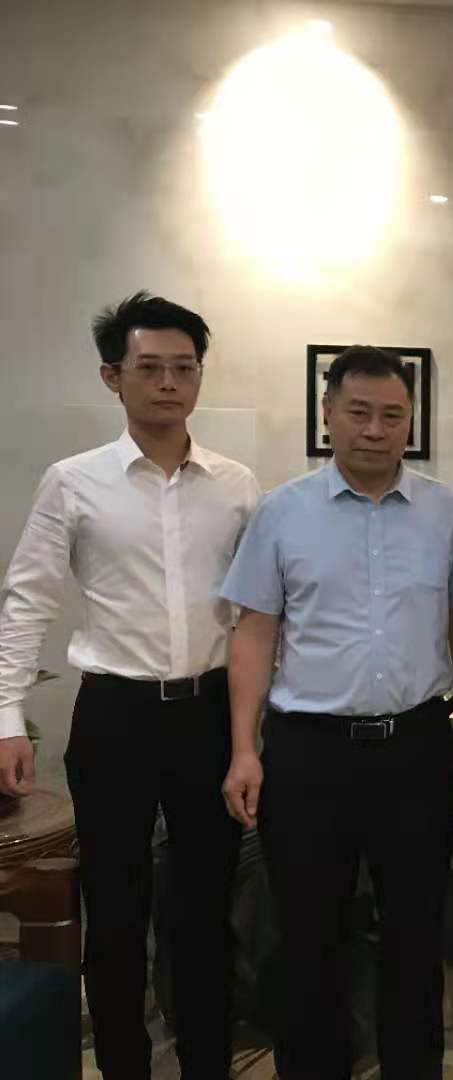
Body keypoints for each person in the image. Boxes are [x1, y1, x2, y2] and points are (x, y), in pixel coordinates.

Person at [0, 291, 259, 1078]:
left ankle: (207, 1064)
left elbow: (261, 611)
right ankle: (123, 1067)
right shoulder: (74, 481)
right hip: (115, 715)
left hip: (210, 712)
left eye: (185, 368)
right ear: (113, 376)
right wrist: (7, 716)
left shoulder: (237, 484)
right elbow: (28, 599)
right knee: (115, 913)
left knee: (206, 910)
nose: (169, 383)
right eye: (150, 368)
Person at [219, 345, 453, 1080]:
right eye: (359, 412)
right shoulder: (282, 512)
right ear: (328, 413)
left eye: (392, 415)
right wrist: (244, 749)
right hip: (309, 752)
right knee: (308, 936)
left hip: (416, 746)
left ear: (411, 421)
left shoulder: (451, 513)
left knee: (415, 934)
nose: (375, 429)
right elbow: (254, 632)